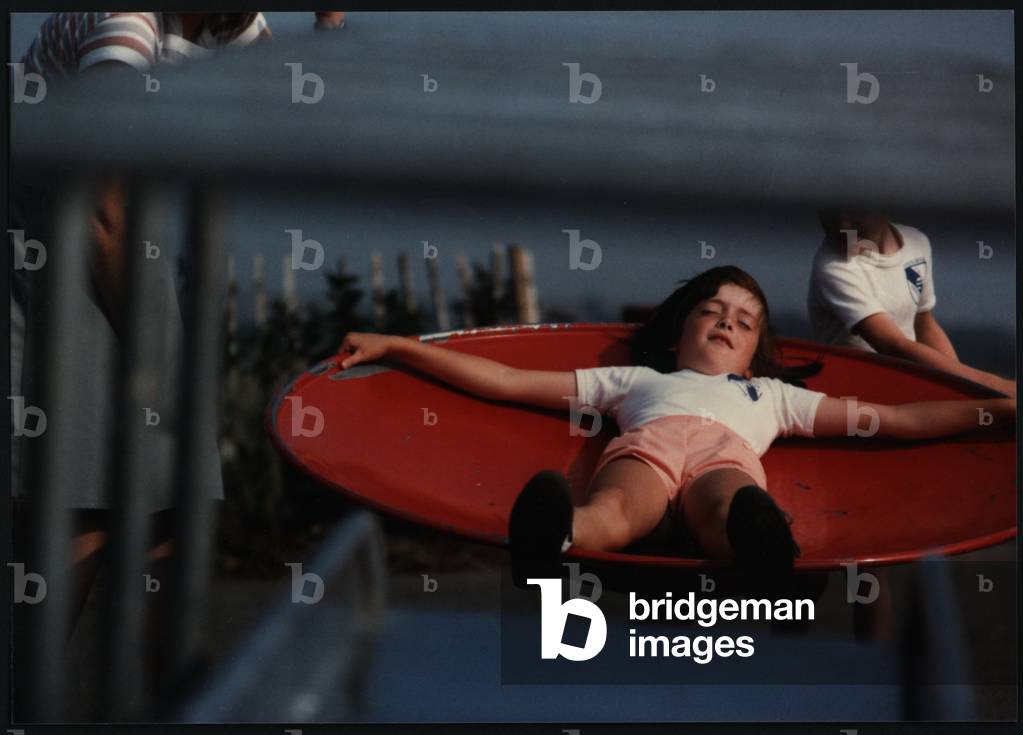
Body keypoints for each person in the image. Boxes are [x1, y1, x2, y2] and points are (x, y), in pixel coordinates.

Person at [10, 9, 341, 712]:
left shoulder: (231, 24)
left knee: (172, 500)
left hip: (122, 227)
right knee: (82, 499)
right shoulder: (124, 25)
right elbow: (100, 204)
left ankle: (183, 698)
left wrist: (330, 28)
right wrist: (159, 373)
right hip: (51, 225)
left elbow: (297, 116)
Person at [336, 266, 1014, 580]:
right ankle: (557, 532)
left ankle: (751, 548)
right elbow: (510, 381)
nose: (726, 322)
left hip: (726, 458)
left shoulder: (772, 397)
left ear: (757, 351)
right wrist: (401, 347)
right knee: (616, 503)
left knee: (728, 499)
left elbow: (895, 419)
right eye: (712, 311)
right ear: (677, 330)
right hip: (648, 447)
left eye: (744, 321)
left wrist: (996, 410)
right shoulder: (636, 380)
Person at [808, 210, 1015, 397]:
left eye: (853, 210)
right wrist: (994, 385)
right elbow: (893, 345)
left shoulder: (917, 243)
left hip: (906, 382)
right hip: (855, 395)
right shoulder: (833, 269)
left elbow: (924, 326)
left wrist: (963, 388)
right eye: (830, 212)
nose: (842, 224)